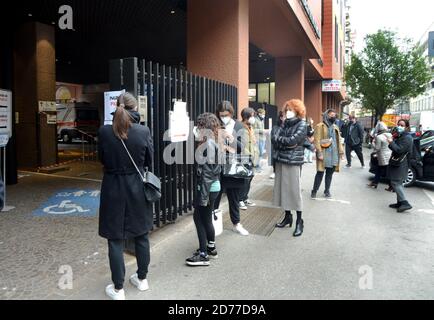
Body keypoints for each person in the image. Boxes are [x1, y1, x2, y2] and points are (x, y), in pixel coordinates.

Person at [98, 92, 154, 300]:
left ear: (116, 107)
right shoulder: (143, 130)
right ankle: (142, 279)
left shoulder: (104, 132)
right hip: (137, 186)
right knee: (141, 234)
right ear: (134, 108)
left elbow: (101, 159)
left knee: (115, 239)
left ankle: (118, 289)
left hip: (113, 187)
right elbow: (149, 160)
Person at [272, 99, 313, 237]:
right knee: (283, 190)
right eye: (287, 110)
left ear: (297, 111)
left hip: (293, 162)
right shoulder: (284, 124)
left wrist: (284, 142)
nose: (288, 112)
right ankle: (287, 216)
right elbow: (276, 139)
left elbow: (292, 141)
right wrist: (285, 143)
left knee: (294, 192)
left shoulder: (302, 124)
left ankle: (299, 221)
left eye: (290, 110)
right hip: (281, 160)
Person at [186, 113, 222, 267]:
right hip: (213, 187)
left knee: (199, 218)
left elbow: (207, 174)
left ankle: (202, 254)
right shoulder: (213, 142)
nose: (196, 129)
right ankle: (211, 248)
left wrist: (203, 197)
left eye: (199, 126)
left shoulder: (207, 145)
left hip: (207, 188)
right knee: (206, 218)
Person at [214, 101, 250, 236]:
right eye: (221, 115)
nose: (224, 117)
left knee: (234, 197)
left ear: (231, 113)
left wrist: (230, 139)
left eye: (226, 115)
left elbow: (241, 147)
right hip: (218, 166)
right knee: (215, 196)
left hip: (233, 167)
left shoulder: (239, 125)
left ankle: (236, 223)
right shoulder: (215, 125)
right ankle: (213, 223)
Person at [311, 109, 345, 199]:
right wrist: (319, 153)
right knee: (320, 173)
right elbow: (317, 140)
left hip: (334, 153)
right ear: (326, 115)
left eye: (334, 115)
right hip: (324, 152)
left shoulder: (335, 127)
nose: (333, 117)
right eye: (331, 115)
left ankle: (327, 190)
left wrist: (341, 152)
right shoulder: (320, 126)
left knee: (330, 174)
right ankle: (314, 190)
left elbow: (339, 141)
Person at [387, 123, 414, 213]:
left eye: (402, 125)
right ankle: (399, 203)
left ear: (406, 127)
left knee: (395, 182)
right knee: (398, 182)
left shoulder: (407, 138)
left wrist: (391, 142)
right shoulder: (401, 135)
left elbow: (399, 150)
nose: (399, 126)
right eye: (399, 124)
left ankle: (405, 203)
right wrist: (392, 141)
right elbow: (394, 148)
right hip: (397, 162)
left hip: (401, 163)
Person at [239, 108, 260, 209]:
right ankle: (240, 199)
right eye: (251, 116)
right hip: (245, 157)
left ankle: (245, 198)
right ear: (246, 116)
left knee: (249, 178)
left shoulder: (250, 127)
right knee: (245, 179)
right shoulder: (241, 128)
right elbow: (243, 145)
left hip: (251, 157)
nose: (253, 118)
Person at [367, 122, 392, 189]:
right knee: (380, 170)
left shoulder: (379, 137)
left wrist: (373, 143)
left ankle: (391, 186)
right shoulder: (389, 135)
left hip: (382, 156)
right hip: (389, 155)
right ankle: (375, 183)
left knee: (383, 170)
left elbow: (377, 148)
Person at [269, 111, 285, 180]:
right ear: (281, 118)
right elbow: (273, 139)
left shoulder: (290, 127)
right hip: (278, 149)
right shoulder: (276, 127)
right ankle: (275, 172)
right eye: (285, 116)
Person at [253, 108, 267, 172]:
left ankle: (258, 166)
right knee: (259, 153)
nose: (264, 115)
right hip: (258, 139)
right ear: (259, 113)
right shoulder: (255, 120)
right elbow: (254, 130)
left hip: (262, 138)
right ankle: (256, 166)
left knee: (261, 153)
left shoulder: (261, 120)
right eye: (263, 114)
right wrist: (263, 131)